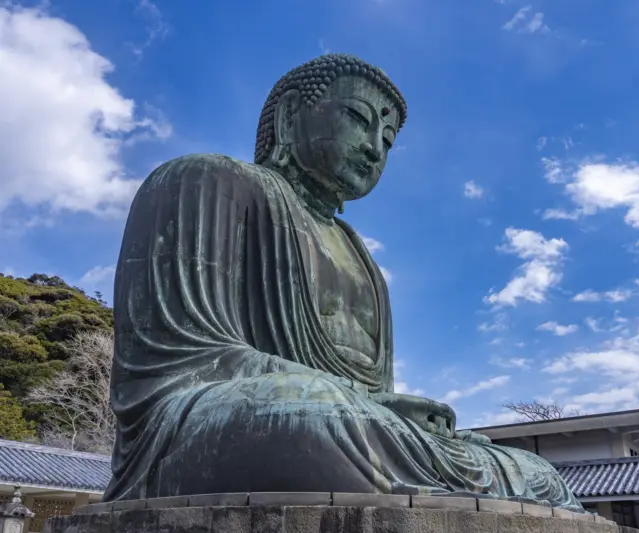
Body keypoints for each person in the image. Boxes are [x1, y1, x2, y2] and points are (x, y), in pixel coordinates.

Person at [103, 53, 584, 513]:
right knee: (315, 422)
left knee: (538, 473)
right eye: (358, 117)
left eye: (389, 140)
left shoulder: (361, 256)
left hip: (354, 424)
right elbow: (187, 360)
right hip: (205, 426)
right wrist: (358, 403)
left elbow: (375, 397)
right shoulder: (204, 180)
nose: (375, 148)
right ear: (292, 114)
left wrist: (391, 414)